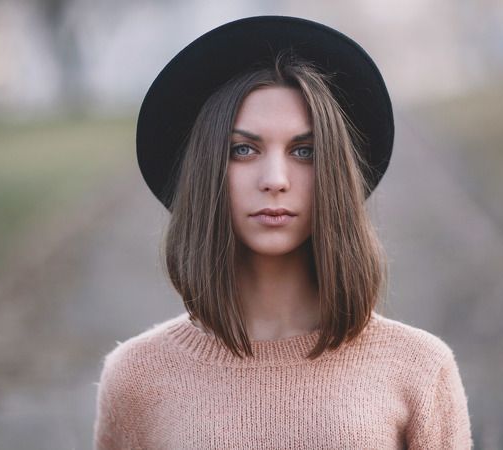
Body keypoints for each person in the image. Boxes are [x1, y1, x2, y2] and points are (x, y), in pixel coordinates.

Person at [94, 15, 472, 449]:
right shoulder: (136, 377)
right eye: (243, 150)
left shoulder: (419, 369)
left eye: (304, 151)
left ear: (335, 174)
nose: (275, 179)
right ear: (204, 171)